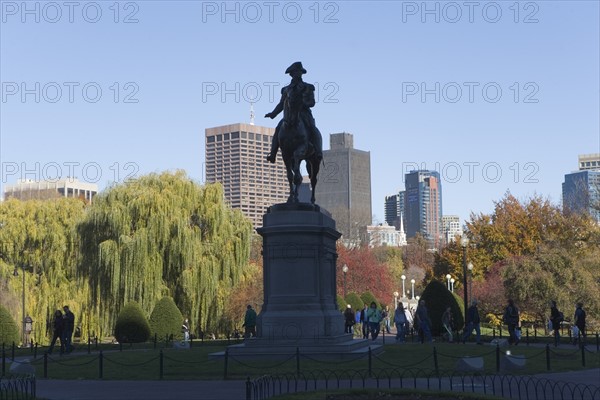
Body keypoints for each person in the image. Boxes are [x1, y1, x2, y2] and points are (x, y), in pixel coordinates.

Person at [265, 62, 323, 163]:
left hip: (304, 114)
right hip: (290, 114)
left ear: (301, 73)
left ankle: (318, 151)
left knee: (313, 129)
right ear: (291, 74)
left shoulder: (308, 87)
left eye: (299, 72)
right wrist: (273, 113)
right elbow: (281, 104)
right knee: (278, 128)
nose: (297, 74)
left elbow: (312, 102)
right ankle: (272, 153)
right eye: (295, 72)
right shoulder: (286, 90)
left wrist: (302, 103)